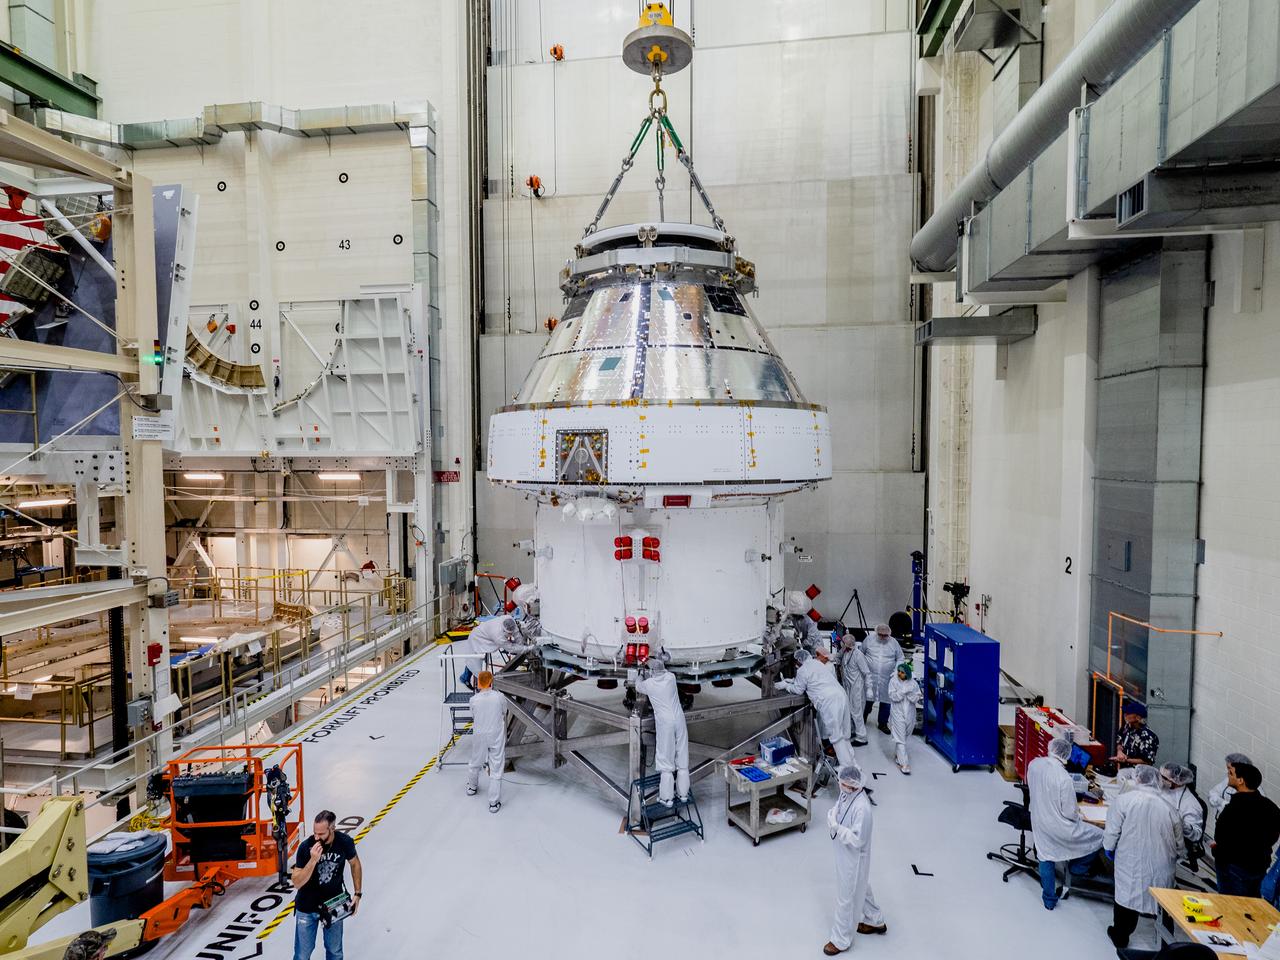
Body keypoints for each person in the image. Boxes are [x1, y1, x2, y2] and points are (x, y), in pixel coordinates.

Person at [1105, 763, 1183, 950]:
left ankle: (1121, 936)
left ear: (1137, 778)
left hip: (1130, 859)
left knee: (1126, 897)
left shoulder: (1124, 800)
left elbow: (1112, 831)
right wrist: (1178, 855)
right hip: (1162, 863)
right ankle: (1167, 943)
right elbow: (1179, 842)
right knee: (1162, 902)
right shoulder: (1169, 807)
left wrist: (1109, 848)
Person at [1027, 736, 1104, 910]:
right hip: (1059, 827)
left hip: (1039, 819)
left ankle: (1049, 900)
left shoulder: (1034, 764)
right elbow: (1070, 813)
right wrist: (1080, 815)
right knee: (1099, 835)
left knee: (1045, 855)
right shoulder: (1063, 778)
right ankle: (1077, 868)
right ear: (1066, 755)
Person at [823, 761, 887, 956]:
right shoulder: (847, 791)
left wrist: (836, 827)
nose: (840, 786)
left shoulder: (863, 809)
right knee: (862, 886)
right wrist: (832, 816)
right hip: (844, 851)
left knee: (846, 896)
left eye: (844, 784)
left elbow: (857, 839)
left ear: (854, 785)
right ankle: (875, 920)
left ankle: (840, 940)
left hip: (854, 857)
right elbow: (839, 806)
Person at [292, 810, 362, 960]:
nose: (317, 838)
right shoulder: (306, 847)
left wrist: (357, 893)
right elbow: (297, 882)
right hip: (307, 907)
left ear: (332, 829)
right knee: (302, 955)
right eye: (315, 833)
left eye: (321, 834)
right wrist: (313, 861)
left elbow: (355, 863)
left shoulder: (344, 842)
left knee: (335, 951)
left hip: (333, 905)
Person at [780, 644, 856, 768]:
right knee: (844, 732)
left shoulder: (802, 670)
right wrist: (793, 680)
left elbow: (798, 690)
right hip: (841, 695)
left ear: (798, 661)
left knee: (836, 736)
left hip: (829, 700)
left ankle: (848, 773)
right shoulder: (817, 663)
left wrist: (786, 686)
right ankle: (854, 765)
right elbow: (815, 679)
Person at [1212, 762, 1280, 897]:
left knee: (1230, 905)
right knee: (1251, 904)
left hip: (1233, 869)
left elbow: (1220, 837)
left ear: (1241, 781)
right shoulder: (1270, 807)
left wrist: (1218, 850)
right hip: (1258, 867)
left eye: (1231, 773)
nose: (1228, 775)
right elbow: (1274, 835)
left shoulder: (1232, 810)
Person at [635, 652, 689, 806]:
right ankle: (683, 794)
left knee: (666, 758)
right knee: (682, 755)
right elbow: (661, 667)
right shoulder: (671, 678)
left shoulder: (650, 684)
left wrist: (640, 674)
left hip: (665, 723)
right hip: (679, 719)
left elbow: (638, 685)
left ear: (652, 672)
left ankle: (667, 798)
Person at [466, 670, 508, 813]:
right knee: (496, 767)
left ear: (478, 683)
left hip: (479, 734)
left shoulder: (474, 700)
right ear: (491, 682)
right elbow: (504, 711)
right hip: (495, 735)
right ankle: (493, 802)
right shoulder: (499, 697)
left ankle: (472, 787)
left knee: (475, 761)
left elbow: (473, 715)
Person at [457, 616, 530, 690]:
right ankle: (481, 689)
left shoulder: (510, 619)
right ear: (504, 630)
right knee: (475, 663)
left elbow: (517, 634)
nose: (510, 635)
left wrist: (522, 645)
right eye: (508, 634)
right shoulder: (498, 635)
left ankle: (465, 677)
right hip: (477, 638)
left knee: (473, 661)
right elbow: (510, 648)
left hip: (485, 633)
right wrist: (527, 649)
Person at [862, 624, 902, 736]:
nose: (883, 637)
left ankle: (883, 723)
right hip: (871, 677)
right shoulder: (869, 640)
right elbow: (861, 654)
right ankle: (863, 718)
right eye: (881, 635)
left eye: (886, 635)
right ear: (876, 633)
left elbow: (900, 658)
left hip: (887, 678)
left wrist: (896, 671)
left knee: (886, 701)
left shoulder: (894, 643)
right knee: (868, 698)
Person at [836, 634, 870, 747]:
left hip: (857, 688)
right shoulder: (846, 652)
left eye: (843, 643)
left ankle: (862, 737)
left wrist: (869, 688)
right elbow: (839, 658)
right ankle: (852, 731)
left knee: (857, 712)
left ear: (848, 644)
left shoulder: (858, 655)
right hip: (848, 686)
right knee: (850, 711)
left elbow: (866, 673)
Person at [887, 661, 921, 775]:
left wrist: (910, 694)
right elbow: (892, 696)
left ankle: (898, 755)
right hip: (897, 713)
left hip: (910, 714)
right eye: (899, 671)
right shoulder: (893, 681)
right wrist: (902, 692)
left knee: (905, 735)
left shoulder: (913, 684)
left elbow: (917, 697)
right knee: (900, 738)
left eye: (902, 672)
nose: (899, 674)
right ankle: (904, 764)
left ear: (907, 674)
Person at [1159, 762, 1205, 844]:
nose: (1161, 779)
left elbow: (1196, 835)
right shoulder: (1163, 789)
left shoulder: (1191, 804)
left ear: (1175, 781)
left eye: (1164, 778)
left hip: (1175, 844)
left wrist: (1181, 825)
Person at [1207, 752, 1254, 820]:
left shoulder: (1252, 788)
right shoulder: (1229, 780)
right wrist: (1222, 803)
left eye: (1229, 768)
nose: (1227, 772)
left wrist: (1221, 803)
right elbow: (1212, 793)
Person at [1113, 701, 1159, 769]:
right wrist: (1119, 752)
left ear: (1138, 717)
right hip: (1124, 772)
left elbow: (1148, 761)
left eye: (1129, 713)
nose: (1125, 714)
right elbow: (1119, 741)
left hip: (1139, 775)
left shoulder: (1148, 736)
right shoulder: (1126, 727)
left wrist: (1126, 760)